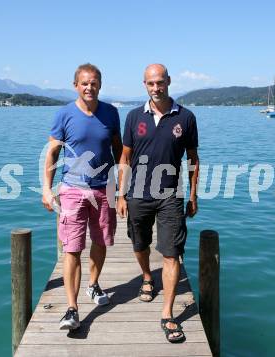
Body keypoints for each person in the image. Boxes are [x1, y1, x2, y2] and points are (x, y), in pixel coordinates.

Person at [117, 64, 199, 343]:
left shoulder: (186, 117)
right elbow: (125, 158)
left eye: (160, 82)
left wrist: (192, 195)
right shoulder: (132, 117)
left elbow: (193, 159)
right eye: (151, 83)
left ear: (169, 82)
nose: (156, 88)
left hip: (171, 196)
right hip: (138, 194)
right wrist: (120, 194)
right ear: (144, 84)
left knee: (171, 253)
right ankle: (147, 277)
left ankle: (168, 314)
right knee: (139, 244)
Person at [42, 63, 122, 330]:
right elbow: (52, 153)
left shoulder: (111, 113)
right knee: (72, 248)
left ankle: (93, 284)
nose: (90, 87)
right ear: (75, 85)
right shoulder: (64, 114)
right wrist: (46, 188)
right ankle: (71, 308)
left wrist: (123, 187)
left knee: (101, 241)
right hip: (73, 190)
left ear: (100, 84)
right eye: (84, 83)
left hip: (103, 189)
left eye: (94, 82)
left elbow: (119, 150)